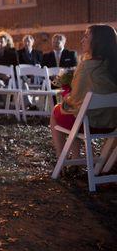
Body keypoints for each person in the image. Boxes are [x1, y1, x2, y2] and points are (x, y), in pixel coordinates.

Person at [50, 25, 117, 159]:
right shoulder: (113, 65)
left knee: (58, 111)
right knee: (76, 112)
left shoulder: (86, 67)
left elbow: (76, 101)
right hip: (113, 125)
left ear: (97, 42)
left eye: (86, 36)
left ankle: (61, 158)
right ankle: (80, 158)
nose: (82, 40)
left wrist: (67, 96)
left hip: (91, 125)